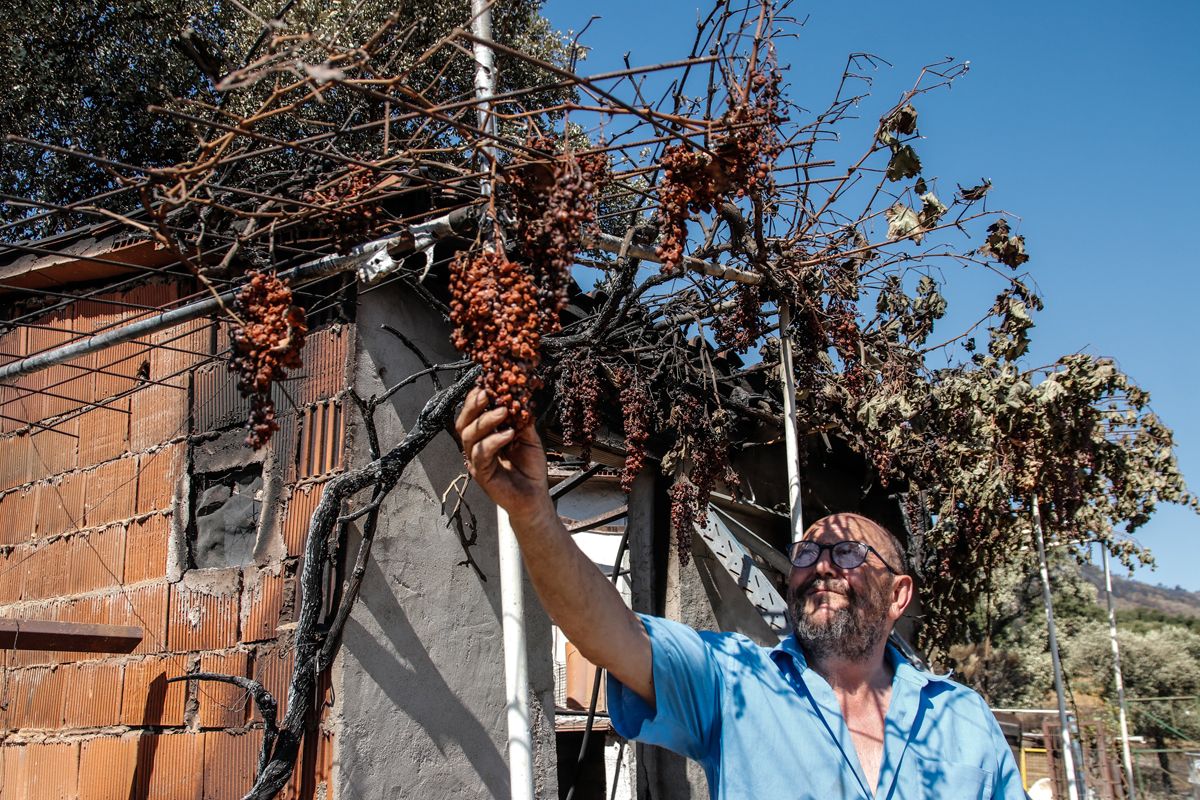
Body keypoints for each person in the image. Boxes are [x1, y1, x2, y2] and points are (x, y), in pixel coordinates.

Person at [456, 389, 1029, 799]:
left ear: (898, 595)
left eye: (847, 554)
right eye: (805, 554)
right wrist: (534, 514)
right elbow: (612, 635)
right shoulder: (735, 682)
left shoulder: (962, 721)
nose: (820, 566)